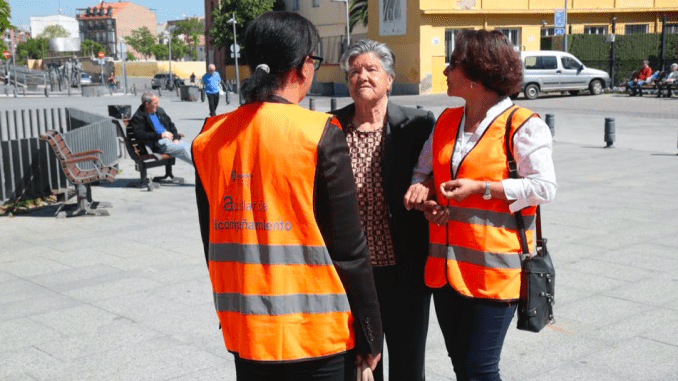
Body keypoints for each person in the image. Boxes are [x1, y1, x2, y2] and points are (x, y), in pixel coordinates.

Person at [192, 11, 382, 381]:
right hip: (317, 335)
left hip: (247, 332)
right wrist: (372, 333)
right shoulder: (318, 132)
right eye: (315, 59)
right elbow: (349, 249)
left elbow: (211, 236)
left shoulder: (209, 136)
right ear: (302, 67)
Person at [403, 29, 557, 381]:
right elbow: (424, 172)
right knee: (463, 367)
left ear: (477, 74)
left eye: (453, 63)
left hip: (494, 272)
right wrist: (424, 195)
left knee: (479, 369)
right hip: (445, 269)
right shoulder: (446, 121)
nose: (445, 71)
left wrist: (482, 187)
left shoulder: (522, 126)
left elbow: (544, 187)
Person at [330, 39, 433, 381]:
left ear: (390, 78)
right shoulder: (330, 129)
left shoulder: (416, 125)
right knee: (360, 365)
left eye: (372, 69)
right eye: (354, 71)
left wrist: (428, 188)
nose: (362, 76)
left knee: (408, 363)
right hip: (352, 275)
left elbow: (435, 171)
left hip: (405, 267)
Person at [128, 92, 192, 164]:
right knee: (183, 149)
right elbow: (140, 135)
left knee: (193, 147)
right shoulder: (138, 117)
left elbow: (171, 124)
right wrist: (160, 135)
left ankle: (203, 169)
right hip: (158, 143)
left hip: (171, 139)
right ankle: (201, 170)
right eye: (155, 103)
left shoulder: (159, 111)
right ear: (147, 104)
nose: (158, 105)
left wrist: (176, 138)